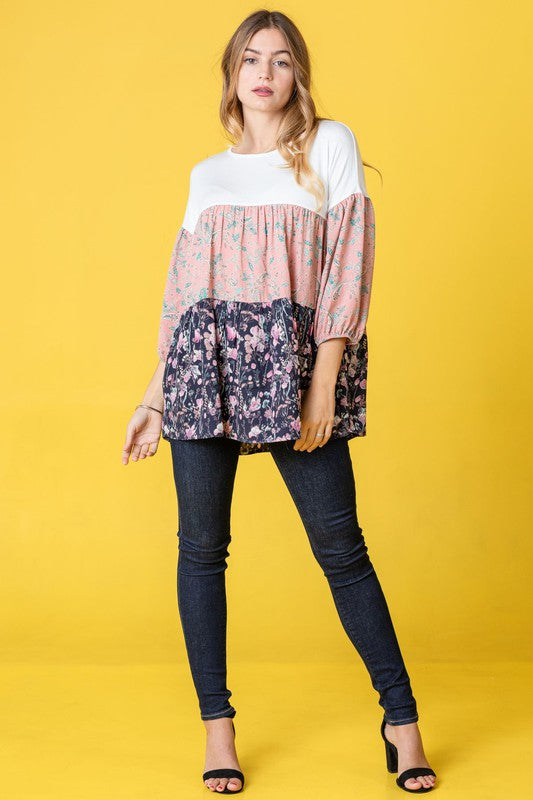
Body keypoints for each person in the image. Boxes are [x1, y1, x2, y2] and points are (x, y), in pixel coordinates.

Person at [121, 9, 437, 796]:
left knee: (341, 550)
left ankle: (401, 723)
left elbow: (348, 266)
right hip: (204, 374)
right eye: (250, 60)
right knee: (202, 551)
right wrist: (153, 398)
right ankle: (218, 731)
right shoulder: (207, 176)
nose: (265, 72)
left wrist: (323, 380)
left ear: (298, 76)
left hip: (294, 374)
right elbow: (185, 298)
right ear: (231, 77)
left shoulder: (329, 145)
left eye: (282, 60)